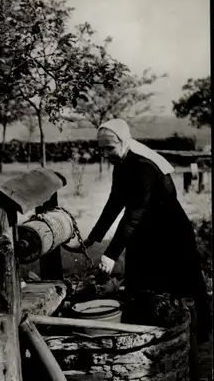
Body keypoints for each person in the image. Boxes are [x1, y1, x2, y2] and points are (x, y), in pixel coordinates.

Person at [82, 119, 211, 342]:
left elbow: (134, 214)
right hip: (146, 231)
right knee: (138, 285)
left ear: (123, 142)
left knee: (188, 285)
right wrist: (92, 239)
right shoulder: (122, 164)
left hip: (171, 233)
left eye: (109, 148)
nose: (105, 154)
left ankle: (200, 333)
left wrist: (111, 254)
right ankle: (149, 334)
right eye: (101, 149)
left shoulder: (144, 166)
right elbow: (114, 203)